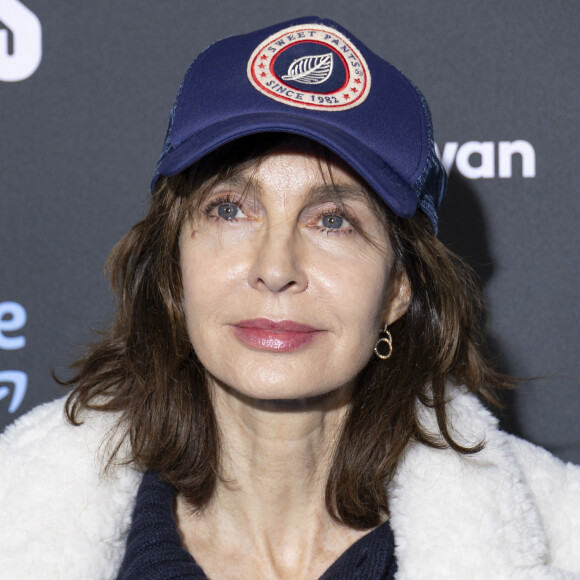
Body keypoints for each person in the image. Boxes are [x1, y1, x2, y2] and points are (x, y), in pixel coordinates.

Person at [1, 16, 579, 580]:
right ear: (174, 265)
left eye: (332, 221)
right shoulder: (18, 517)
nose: (275, 268)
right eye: (230, 209)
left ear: (400, 288)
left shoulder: (562, 542)